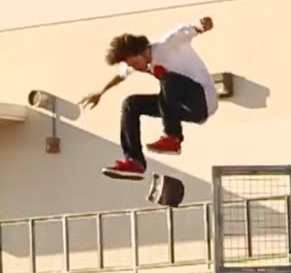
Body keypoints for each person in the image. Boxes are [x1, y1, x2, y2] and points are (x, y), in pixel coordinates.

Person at [79, 17, 219, 180]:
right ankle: (134, 161)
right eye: (132, 66)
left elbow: (186, 30)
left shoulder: (167, 44)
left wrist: (202, 25)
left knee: (167, 78)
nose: (137, 68)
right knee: (131, 104)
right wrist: (101, 93)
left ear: (142, 51)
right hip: (180, 106)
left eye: (136, 63)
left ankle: (172, 137)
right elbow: (120, 75)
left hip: (202, 98)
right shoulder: (137, 61)